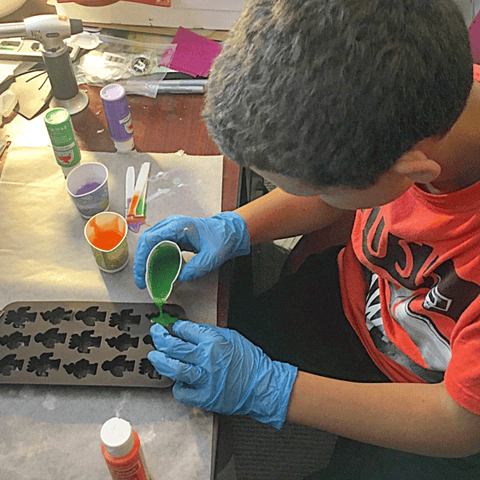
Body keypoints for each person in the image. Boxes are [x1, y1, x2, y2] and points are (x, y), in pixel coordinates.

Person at [133, 0, 480, 477]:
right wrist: (236, 227)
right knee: (219, 337)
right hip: (359, 295)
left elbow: (460, 424)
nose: (309, 196)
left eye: (317, 190)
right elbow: (342, 185)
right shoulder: (420, 100)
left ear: (413, 173)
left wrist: (273, 389)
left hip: (434, 400)